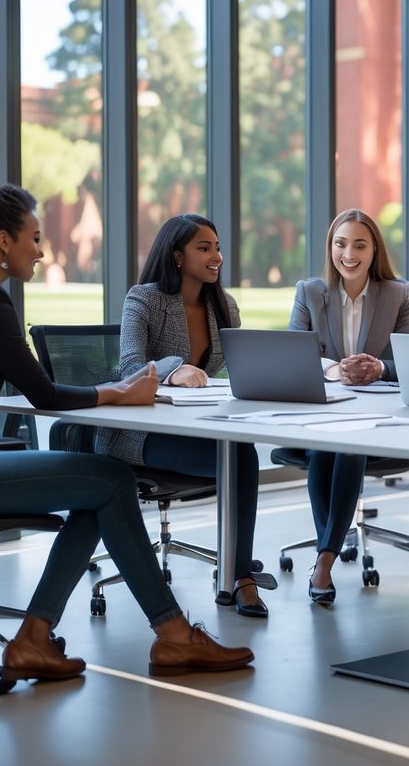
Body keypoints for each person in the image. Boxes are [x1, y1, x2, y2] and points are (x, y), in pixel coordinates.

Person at [0, 182, 253, 684]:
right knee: (111, 480)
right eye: (34, 238)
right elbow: (44, 393)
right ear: (3, 240)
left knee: (100, 485)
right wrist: (118, 393)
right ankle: (170, 637)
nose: (41, 252)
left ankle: (37, 640)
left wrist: (116, 390)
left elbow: (37, 392)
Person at [93, 214, 270, 618]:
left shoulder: (225, 307)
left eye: (217, 248)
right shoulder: (144, 299)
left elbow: (234, 367)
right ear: (177, 256)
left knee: (241, 450)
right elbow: (130, 367)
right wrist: (172, 370)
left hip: (191, 427)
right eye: (204, 248)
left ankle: (238, 567)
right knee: (241, 457)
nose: (216, 257)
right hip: (138, 435)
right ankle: (241, 575)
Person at [286, 209, 409, 605]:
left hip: (375, 422)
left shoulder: (396, 294)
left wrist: (380, 368)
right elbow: (292, 354)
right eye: (340, 244)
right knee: (325, 447)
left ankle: (323, 560)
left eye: (359, 245)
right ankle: (327, 556)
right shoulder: (310, 292)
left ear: (374, 250)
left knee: (348, 446)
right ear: (330, 248)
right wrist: (334, 369)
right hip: (321, 416)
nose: (349, 254)